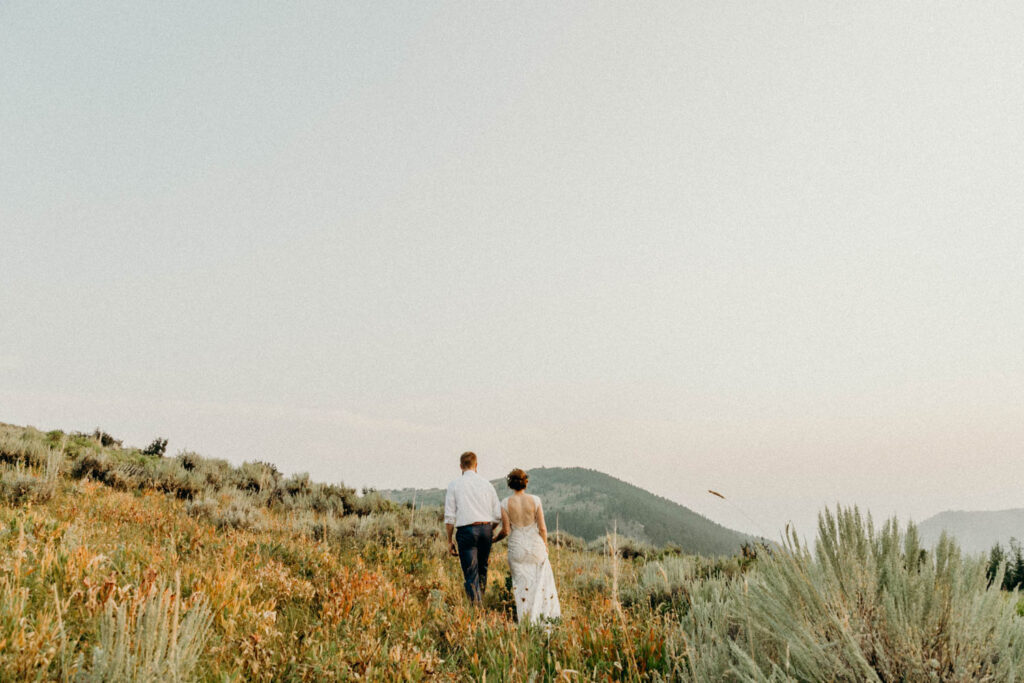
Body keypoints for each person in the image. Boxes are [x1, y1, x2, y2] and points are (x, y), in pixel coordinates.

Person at [496, 468, 561, 625]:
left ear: (510, 484)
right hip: (535, 547)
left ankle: (526, 622)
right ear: (526, 482)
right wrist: (545, 545)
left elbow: (505, 530)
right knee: (541, 585)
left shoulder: (505, 503)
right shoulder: (535, 500)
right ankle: (543, 620)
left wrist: (493, 539)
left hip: (517, 548)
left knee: (522, 587)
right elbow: (543, 528)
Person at [444, 451, 502, 603]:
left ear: (460, 466)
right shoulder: (488, 485)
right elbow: (497, 515)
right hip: (485, 529)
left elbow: (450, 517)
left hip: (466, 531)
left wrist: (449, 540)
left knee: (471, 571)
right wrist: (490, 530)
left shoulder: (454, 485)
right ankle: (481, 599)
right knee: (482, 568)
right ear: (476, 465)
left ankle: (476, 608)